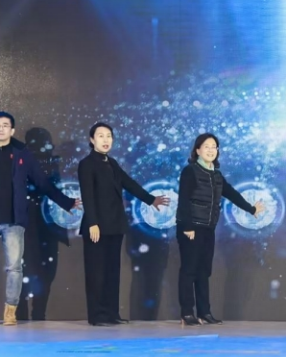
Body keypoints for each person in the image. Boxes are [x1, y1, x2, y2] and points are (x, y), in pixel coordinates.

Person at [0, 112, 80, 327]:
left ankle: (10, 312)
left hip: (14, 221)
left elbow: (42, 182)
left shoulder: (21, 154)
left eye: (5, 125)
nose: (1, 128)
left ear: (12, 130)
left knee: (14, 268)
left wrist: (67, 202)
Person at [78, 122, 171, 326]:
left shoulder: (112, 163)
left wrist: (151, 200)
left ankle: (111, 313)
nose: (105, 140)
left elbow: (129, 184)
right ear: (92, 140)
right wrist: (92, 223)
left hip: (114, 225)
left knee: (112, 271)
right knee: (96, 272)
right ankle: (97, 315)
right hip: (96, 227)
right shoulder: (87, 164)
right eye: (100, 136)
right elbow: (87, 195)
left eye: (108, 136)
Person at [175, 133, 265, 327]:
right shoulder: (190, 171)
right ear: (197, 150)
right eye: (206, 146)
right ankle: (187, 313)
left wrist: (251, 209)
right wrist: (188, 226)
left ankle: (204, 312)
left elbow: (231, 193)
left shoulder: (216, 174)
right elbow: (183, 200)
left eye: (214, 147)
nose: (211, 150)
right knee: (189, 270)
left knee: (203, 271)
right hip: (191, 228)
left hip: (208, 228)